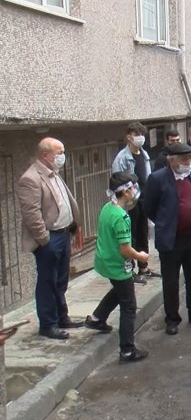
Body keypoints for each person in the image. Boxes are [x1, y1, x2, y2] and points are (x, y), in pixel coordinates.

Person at [141, 143, 191, 336]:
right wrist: (163, 221)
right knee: (171, 282)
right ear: (171, 160)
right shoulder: (157, 179)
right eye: (183, 159)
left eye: (189, 159)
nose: (187, 163)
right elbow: (147, 205)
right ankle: (172, 319)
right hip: (171, 240)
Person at [17, 138, 83, 339]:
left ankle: (62, 317)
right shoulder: (30, 179)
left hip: (63, 234)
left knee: (61, 280)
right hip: (49, 239)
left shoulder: (54, 174)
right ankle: (48, 324)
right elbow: (32, 215)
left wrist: (72, 226)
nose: (63, 156)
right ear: (46, 155)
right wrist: (44, 240)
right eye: (59, 152)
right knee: (48, 281)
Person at [85, 172, 151, 363]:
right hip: (118, 264)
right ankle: (127, 349)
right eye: (132, 188)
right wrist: (141, 256)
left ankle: (97, 318)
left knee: (119, 290)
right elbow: (125, 249)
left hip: (105, 261)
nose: (135, 191)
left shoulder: (108, 208)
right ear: (125, 192)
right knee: (129, 306)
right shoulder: (122, 217)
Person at [112, 122, 160, 284]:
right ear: (128, 137)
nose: (140, 138)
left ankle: (144, 267)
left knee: (142, 233)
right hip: (129, 203)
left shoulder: (144, 155)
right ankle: (129, 270)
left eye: (142, 134)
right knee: (129, 237)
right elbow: (117, 182)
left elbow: (148, 177)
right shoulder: (122, 158)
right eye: (136, 134)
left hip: (143, 200)